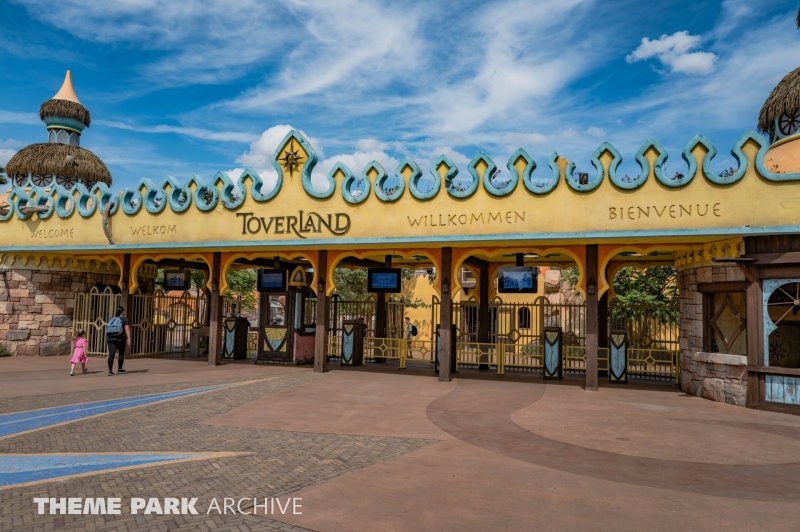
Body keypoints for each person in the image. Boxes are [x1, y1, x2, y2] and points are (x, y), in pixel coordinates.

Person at [106, 306, 131, 376]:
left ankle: (110, 371)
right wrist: (129, 338)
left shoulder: (111, 319)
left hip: (110, 338)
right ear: (122, 312)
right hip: (120, 339)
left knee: (111, 354)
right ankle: (120, 369)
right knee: (121, 353)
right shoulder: (124, 319)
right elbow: (127, 329)